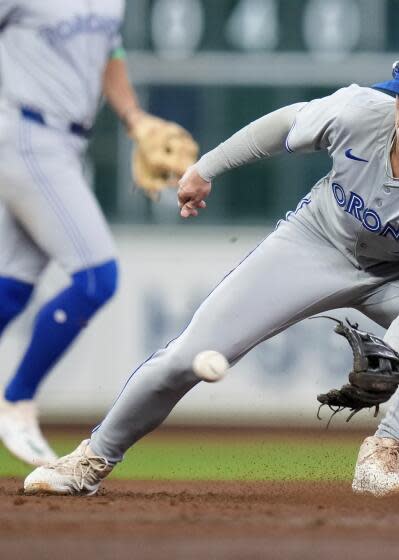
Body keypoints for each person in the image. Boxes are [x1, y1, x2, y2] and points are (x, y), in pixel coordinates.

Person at [23, 42, 399, 497]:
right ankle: (92, 459)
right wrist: (204, 169)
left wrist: (393, 352)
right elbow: (283, 126)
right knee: (189, 355)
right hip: (316, 244)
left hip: (398, 275)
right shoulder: (360, 112)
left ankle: (385, 450)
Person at [0, 1, 193, 466]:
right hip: (23, 131)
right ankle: (16, 402)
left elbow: (110, 54)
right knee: (95, 277)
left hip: (67, 144)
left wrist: (134, 118)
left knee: (12, 287)